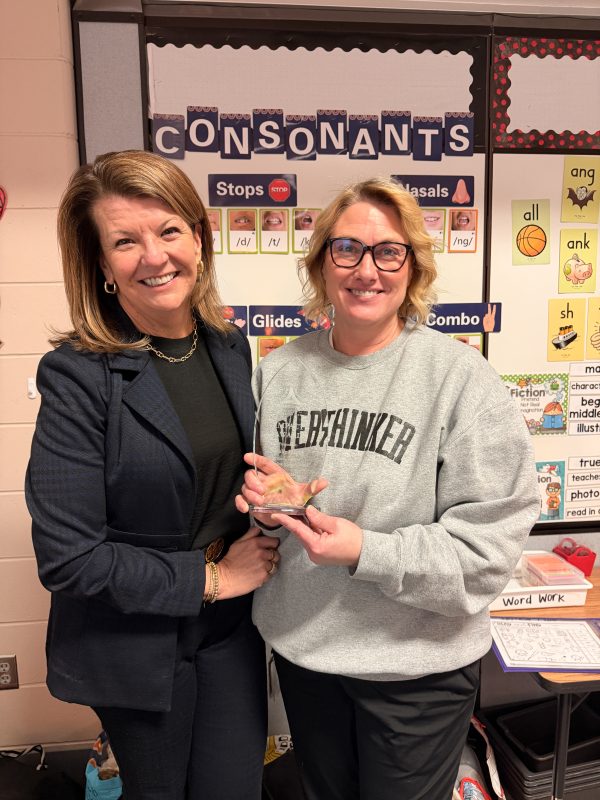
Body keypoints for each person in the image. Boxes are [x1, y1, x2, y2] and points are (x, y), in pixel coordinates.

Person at [236, 177, 540, 800]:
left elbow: (486, 553)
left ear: (413, 267)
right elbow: (259, 514)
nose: (366, 269)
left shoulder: (463, 382)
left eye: (388, 252)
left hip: (416, 671)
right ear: (322, 263)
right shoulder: (277, 374)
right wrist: (268, 510)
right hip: (308, 658)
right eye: (346, 249)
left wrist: (363, 551)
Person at [25, 150, 280, 800]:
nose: (154, 255)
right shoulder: (78, 374)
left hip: (229, 632)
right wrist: (214, 578)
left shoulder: (226, 343)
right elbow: (69, 559)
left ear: (200, 237)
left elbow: (211, 473)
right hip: (135, 642)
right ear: (102, 264)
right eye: (125, 241)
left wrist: (270, 494)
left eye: (169, 231)